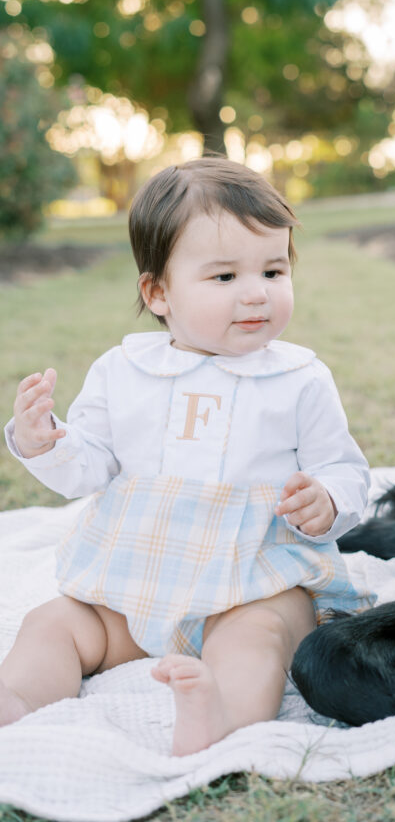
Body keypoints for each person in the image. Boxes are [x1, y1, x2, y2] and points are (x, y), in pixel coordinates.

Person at [1, 157, 374, 755]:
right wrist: (47, 442)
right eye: (224, 277)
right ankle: (17, 698)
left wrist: (326, 499)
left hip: (255, 577)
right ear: (158, 293)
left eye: (274, 270)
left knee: (260, 638)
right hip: (136, 581)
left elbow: (347, 470)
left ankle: (219, 712)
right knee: (56, 623)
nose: (256, 293)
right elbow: (90, 466)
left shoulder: (299, 377)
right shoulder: (123, 370)